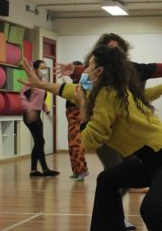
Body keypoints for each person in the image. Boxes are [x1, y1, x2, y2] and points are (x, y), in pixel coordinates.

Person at [19, 45, 162, 231]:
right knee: (107, 181)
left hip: (159, 157)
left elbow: (90, 141)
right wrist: (39, 84)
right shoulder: (103, 89)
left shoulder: (106, 96)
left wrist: (84, 109)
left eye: (88, 65)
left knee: (151, 209)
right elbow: (68, 89)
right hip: (149, 160)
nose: (85, 70)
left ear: (99, 72)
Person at [19, 60, 59, 177]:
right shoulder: (30, 82)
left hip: (37, 115)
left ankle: (34, 171)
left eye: (45, 68)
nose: (44, 70)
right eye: (42, 68)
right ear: (35, 69)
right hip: (30, 116)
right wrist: (29, 110)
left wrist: (47, 112)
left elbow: (41, 101)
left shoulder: (43, 83)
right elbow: (22, 97)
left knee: (39, 142)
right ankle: (45, 170)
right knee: (40, 141)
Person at [65, 61, 89, 181]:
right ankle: (76, 171)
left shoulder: (84, 84)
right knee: (71, 145)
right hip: (71, 118)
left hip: (77, 117)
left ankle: (82, 171)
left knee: (76, 145)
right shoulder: (73, 84)